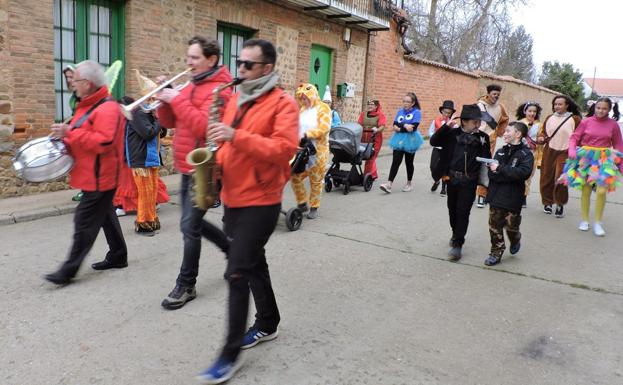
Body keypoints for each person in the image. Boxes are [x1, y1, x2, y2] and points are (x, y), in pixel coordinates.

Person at [196, 38, 299, 384]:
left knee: (237, 272)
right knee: (254, 262)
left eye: (247, 65)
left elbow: (283, 149)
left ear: (266, 69)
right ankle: (268, 322)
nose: (239, 70)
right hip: (233, 197)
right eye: (238, 63)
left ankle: (229, 356)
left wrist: (233, 135)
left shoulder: (283, 104)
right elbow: (226, 145)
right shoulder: (236, 97)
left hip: (263, 200)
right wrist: (215, 165)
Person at [156, 36, 232, 310]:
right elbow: (169, 122)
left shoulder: (221, 91)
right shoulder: (191, 85)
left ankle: (186, 284)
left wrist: (175, 98)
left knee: (189, 226)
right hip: (188, 167)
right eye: (188, 57)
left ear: (211, 60)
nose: (188, 62)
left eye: (194, 58)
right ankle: (232, 251)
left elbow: (205, 128)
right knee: (193, 224)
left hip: (207, 169)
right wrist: (164, 98)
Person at [44, 60, 127, 285]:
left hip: (102, 177)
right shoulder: (88, 105)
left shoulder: (107, 108)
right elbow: (84, 136)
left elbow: (104, 142)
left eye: (77, 81)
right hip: (94, 174)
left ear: (89, 84)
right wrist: (65, 136)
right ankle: (118, 255)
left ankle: (67, 271)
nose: (73, 85)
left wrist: (69, 132)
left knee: (84, 222)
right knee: (106, 216)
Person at [430, 104, 491, 261]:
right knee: (452, 210)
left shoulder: (483, 138)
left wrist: (487, 180)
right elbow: (433, 141)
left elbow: (486, 160)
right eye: (474, 122)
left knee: (463, 212)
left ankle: (458, 244)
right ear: (464, 121)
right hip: (452, 178)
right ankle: (455, 233)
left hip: (469, 180)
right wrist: (445, 127)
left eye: (479, 122)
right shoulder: (452, 133)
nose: (478, 125)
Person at [562, 97, 623, 236]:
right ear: (594, 107)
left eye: (604, 108)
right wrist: (571, 150)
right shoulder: (586, 121)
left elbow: (619, 144)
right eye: (598, 108)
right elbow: (574, 137)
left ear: (609, 109)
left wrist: (620, 163)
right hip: (586, 158)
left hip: (604, 158)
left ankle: (598, 222)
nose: (601, 111)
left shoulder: (613, 125)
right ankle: (584, 220)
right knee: (586, 190)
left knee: (601, 191)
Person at [483, 121, 534, 266]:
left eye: (508, 131)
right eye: (504, 131)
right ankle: (496, 252)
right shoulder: (500, 151)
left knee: (511, 227)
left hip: (513, 198)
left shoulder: (526, 154)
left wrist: (500, 169)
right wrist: (498, 170)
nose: (504, 134)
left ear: (517, 134)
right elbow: (492, 174)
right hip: (496, 195)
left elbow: (522, 173)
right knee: (494, 226)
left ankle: (516, 238)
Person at [120, 96, 165, 236]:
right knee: (145, 193)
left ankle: (151, 220)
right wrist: (159, 120)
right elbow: (148, 133)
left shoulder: (142, 113)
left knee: (151, 192)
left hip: (148, 157)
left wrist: (157, 118)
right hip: (141, 158)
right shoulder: (136, 114)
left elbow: (161, 133)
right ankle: (143, 222)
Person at [291, 83, 331, 219]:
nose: (304, 100)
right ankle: (302, 203)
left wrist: (307, 134)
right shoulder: (302, 110)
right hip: (302, 150)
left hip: (318, 151)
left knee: (315, 180)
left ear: (312, 95)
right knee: (295, 175)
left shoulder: (323, 108)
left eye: (306, 97)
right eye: (301, 98)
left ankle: (314, 206)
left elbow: (324, 128)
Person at [538, 95, 582, 218]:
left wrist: (578, 150)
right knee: (546, 177)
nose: (557, 106)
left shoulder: (575, 119)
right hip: (549, 150)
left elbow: (580, 136)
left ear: (567, 105)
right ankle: (547, 203)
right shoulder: (549, 118)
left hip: (566, 152)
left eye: (560, 104)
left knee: (560, 178)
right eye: (555, 104)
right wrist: (541, 137)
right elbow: (543, 133)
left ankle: (560, 203)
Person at [379, 92, 424, 193]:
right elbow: (395, 125)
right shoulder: (400, 111)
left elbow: (413, 128)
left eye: (408, 101)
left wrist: (400, 126)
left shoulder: (417, 112)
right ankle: (389, 184)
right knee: (395, 161)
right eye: (404, 101)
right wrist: (404, 126)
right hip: (398, 140)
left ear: (413, 103)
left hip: (411, 140)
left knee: (409, 162)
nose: (405, 103)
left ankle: (409, 183)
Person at [476, 84, 509, 207]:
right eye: (494, 94)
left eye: (498, 94)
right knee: (472, 164)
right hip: (475, 139)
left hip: (489, 140)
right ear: (488, 93)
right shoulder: (479, 105)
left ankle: (482, 195)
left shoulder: (500, 107)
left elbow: (505, 119)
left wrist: (499, 132)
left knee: (486, 166)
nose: (496, 96)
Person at [63, 65, 84, 203]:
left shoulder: (83, 95)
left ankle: (86, 191)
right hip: (76, 130)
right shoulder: (75, 95)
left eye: (72, 77)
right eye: (67, 77)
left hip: (84, 131)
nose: (69, 80)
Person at [516, 101, 543, 207]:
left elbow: (541, 139)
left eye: (534, 111)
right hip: (519, 152)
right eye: (530, 111)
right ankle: (516, 194)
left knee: (528, 176)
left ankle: (524, 196)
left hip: (533, 153)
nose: (532, 113)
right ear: (525, 111)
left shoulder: (539, 125)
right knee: (517, 174)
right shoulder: (520, 123)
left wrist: (541, 139)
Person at [429, 100, 456, 196]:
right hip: (437, 147)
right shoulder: (435, 121)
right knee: (433, 166)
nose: (446, 114)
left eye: (449, 113)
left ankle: (444, 188)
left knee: (445, 168)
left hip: (447, 149)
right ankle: (436, 180)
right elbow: (431, 132)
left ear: (451, 113)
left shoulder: (453, 123)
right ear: (442, 111)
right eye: (445, 112)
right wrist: (436, 136)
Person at [358, 99, 387, 180]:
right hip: (363, 138)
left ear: (376, 106)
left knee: (371, 157)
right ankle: (372, 174)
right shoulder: (363, 114)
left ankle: (367, 176)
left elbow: (382, 126)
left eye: (372, 105)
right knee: (364, 156)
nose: (370, 106)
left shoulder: (381, 115)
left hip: (375, 139)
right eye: (369, 104)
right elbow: (359, 123)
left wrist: (377, 130)